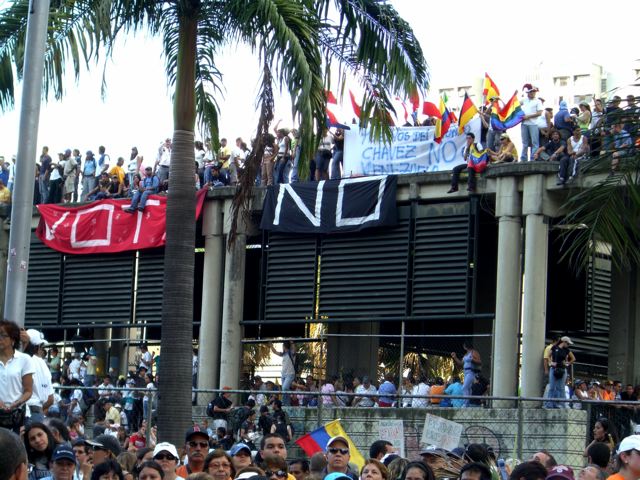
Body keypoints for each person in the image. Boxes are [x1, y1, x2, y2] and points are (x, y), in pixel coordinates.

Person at [0, 320, 35, 432]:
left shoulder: (24, 359)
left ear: (13, 339)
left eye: (3, 335)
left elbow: (28, 391)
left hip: (18, 415)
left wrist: (16, 403)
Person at [544, 336, 575, 408]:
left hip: (562, 369)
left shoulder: (567, 350)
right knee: (552, 387)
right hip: (554, 369)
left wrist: (567, 363)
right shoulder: (554, 347)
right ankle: (549, 404)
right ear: (564, 342)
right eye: (568, 343)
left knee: (560, 387)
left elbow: (573, 358)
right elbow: (548, 356)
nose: (568, 345)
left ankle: (562, 404)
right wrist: (551, 362)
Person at [451, 341, 481, 407]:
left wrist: (472, 359)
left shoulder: (474, 352)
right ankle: (468, 403)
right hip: (465, 372)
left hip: (471, 371)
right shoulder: (466, 354)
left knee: (464, 387)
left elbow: (479, 362)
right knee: (468, 388)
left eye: (464, 345)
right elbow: (461, 363)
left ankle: (465, 403)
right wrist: (455, 357)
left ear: (466, 346)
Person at [520, 85, 543, 161]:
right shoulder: (524, 100)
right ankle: (523, 158)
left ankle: (533, 158)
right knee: (524, 142)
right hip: (524, 123)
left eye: (534, 91)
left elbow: (539, 113)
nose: (533, 93)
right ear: (528, 93)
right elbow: (515, 105)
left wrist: (528, 116)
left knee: (534, 142)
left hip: (533, 124)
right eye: (531, 92)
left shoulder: (538, 101)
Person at [270, 342, 296, 406]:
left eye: (283, 346)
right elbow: (275, 352)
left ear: (284, 346)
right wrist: (270, 344)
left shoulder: (291, 353)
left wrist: (292, 342)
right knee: (284, 390)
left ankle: (287, 400)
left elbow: (294, 350)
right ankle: (286, 404)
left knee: (284, 388)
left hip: (290, 374)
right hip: (283, 375)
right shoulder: (283, 354)